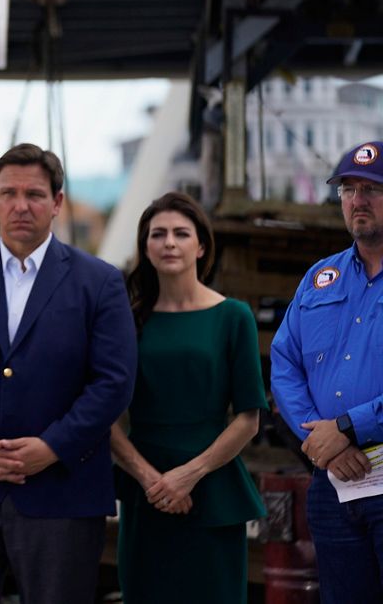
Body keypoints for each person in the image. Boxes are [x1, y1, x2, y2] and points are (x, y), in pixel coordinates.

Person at [0, 142, 136, 604]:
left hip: (62, 493)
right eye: (9, 193)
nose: (20, 205)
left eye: (34, 194)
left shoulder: (100, 282)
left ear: (56, 203)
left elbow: (113, 382)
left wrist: (52, 447)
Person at [109, 192, 266, 604]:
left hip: (212, 488)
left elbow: (248, 418)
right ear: (145, 246)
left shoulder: (234, 316)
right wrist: (150, 479)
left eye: (181, 233)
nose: (169, 243)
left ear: (201, 246)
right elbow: (105, 420)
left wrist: (188, 474)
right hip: (146, 495)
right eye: (158, 234)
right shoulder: (127, 321)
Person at [271, 140, 383, 604]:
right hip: (333, 483)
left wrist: (349, 427)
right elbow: (284, 363)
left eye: (372, 189)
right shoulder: (321, 278)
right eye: (348, 189)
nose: (358, 200)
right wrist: (324, 442)